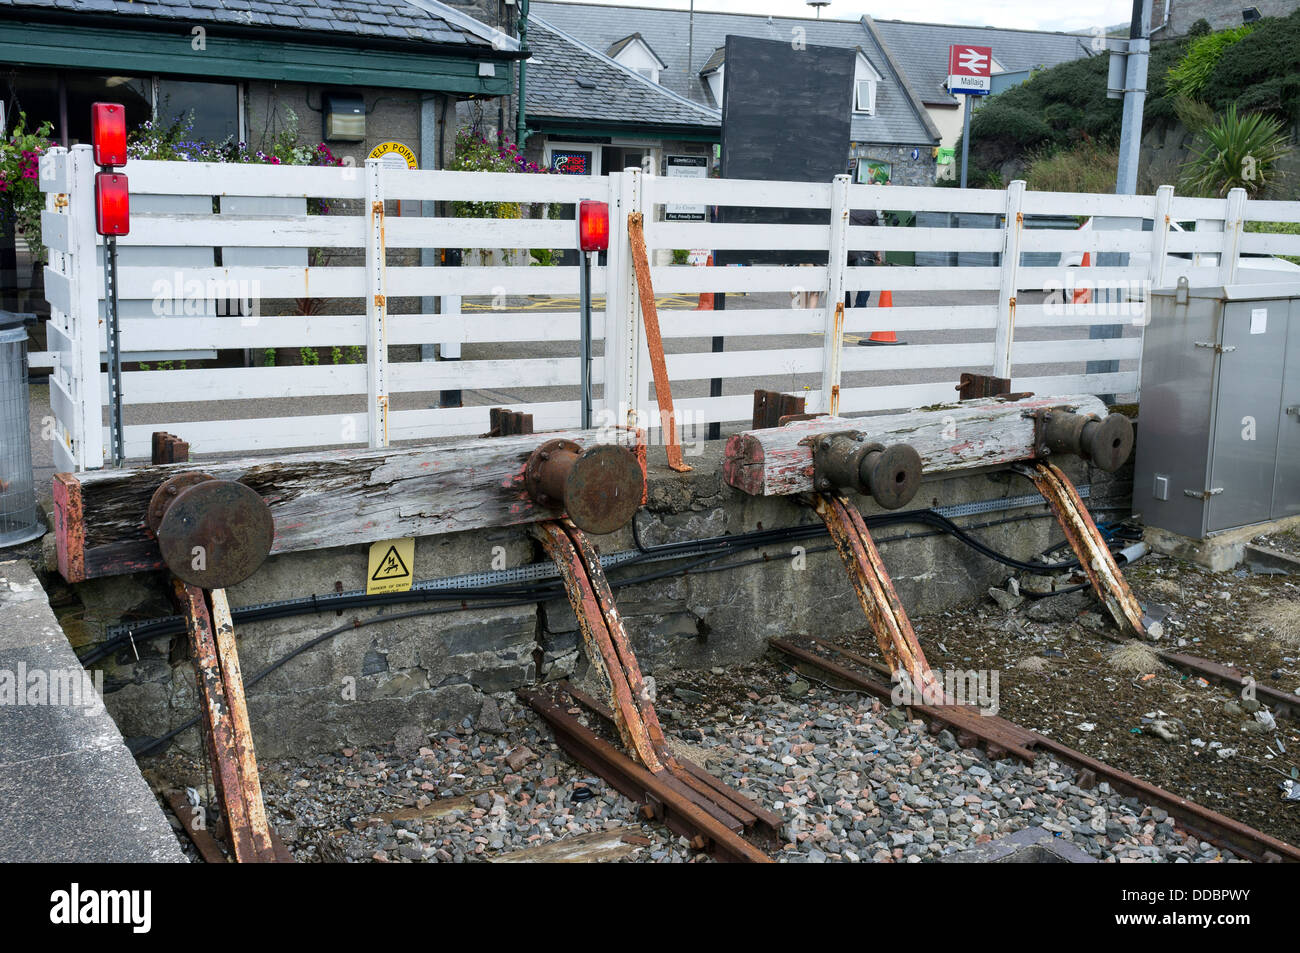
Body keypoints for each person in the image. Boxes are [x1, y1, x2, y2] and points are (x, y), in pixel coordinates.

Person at [845, 206, 882, 311]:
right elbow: (876, 235)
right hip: (866, 252)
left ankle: (846, 308)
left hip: (848, 252)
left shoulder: (847, 208)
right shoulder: (871, 210)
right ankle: (859, 307)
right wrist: (878, 254)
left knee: (844, 283)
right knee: (865, 282)